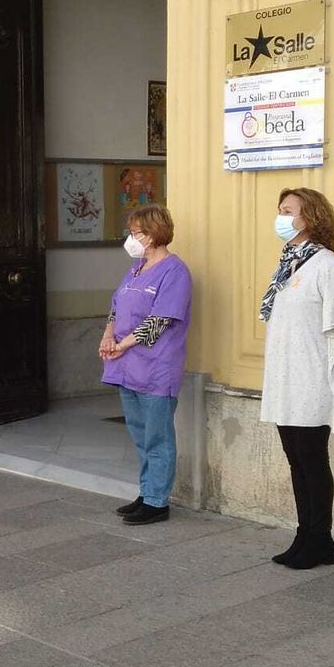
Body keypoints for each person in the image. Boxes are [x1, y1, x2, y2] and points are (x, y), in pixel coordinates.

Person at [259, 187, 334, 569]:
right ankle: (304, 534)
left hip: (314, 379)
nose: (281, 217)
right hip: (286, 379)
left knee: (312, 457)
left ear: (310, 218)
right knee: (295, 459)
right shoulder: (289, 264)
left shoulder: (327, 267)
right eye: (280, 208)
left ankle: (321, 540)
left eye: (288, 211)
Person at [102, 206, 193, 526]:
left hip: (156, 367)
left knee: (158, 435)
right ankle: (146, 492)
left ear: (153, 235)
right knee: (140, 434)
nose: (131, 239)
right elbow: (117, 307)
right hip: (127, 366)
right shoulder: (137, 268)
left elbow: (161, 320)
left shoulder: (175, 271)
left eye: (136, 233)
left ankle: (157, 501)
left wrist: (122, 344)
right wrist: (108, 336)